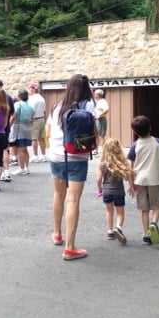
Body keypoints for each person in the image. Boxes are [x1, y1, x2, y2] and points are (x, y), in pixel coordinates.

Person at [46, 74, 95, 260]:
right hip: (76, 157)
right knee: (73, 200)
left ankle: (57, 233)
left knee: (58, 194)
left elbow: (49, 131)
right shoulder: (89, 105)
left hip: (56, 156)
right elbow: (94, 131)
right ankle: (70, 247)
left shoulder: (57, 105)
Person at [127, 115, 159, 245]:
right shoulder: (158, 142)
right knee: (157, 205)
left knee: (144, 209)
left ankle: (146, 235)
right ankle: (154, 223)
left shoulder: (135, 145)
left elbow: (131, 165)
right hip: (155, 179)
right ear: (150, 127)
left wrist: (131, 183)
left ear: (134, 131)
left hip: (140, 180)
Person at [96, 138, 136, 245]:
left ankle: (110, 231)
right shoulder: (121, 163)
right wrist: (131, 186)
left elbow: (98, 178)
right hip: (119, 192)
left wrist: (99, 188)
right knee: (120, 212)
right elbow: (129, 175)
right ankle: (118, 227)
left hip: (107, 192)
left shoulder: (103, 164)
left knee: (109, 211)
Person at [10, 88, 34, 176]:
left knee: (20, 149)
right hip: (27, 127)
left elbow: (13, 116)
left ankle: (21, 168)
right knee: (25, 149)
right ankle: (26, 168)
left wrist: (9, 125)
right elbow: (32, 119)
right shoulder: (30, 106)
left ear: (19, 96)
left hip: (18, 127)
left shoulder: (17, 104)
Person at [28, 82, 47, 163]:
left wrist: (30, 121)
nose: (28, 90)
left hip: (35, 119)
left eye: (29, 88)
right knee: (41, 138)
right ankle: (43, 155)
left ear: (32, 89)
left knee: (34, 138)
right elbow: (45, 111)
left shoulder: (32, 99)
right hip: (42, 118)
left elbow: (32, 111)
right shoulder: (42, 98)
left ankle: (35, 156)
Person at [94, 88, 109, 153]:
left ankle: (100, 150)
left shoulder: (103, 101)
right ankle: (97, 149)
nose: (94, 95)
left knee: (101, 135)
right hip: (97, 120)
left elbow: (107, 109)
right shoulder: (97, 101)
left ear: (98, 95)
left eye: (95, 94)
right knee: (97, 135)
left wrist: (99, 116)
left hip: (101, 120)